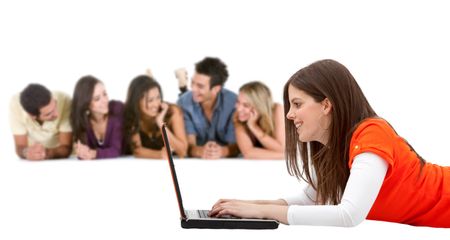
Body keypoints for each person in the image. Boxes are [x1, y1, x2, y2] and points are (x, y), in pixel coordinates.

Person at [209, 59, 450, 228]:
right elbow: (310, 200)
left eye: (297, 104)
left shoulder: (372, 134)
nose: (289, 115)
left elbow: (348, 215)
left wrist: (261, 212)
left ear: (326, 105)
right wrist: (245, 206)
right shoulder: (335, 149)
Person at [177, 57, 239, 159]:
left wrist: (223, 151)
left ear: (216, 89)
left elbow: (237, 145)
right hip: (199, 158)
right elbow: (188, 145)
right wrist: (199, 151)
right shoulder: (183, 103)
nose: (193, 89)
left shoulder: (234, 104)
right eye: (192, 83)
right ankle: (182, 83)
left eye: (200, 86)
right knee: (184, 95)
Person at [123, 75, 188, 159]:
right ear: (136, 102)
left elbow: (183, 151)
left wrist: (161, 123)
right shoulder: (132, 114)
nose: (156, 104)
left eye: (158, 98)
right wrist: (160, 155)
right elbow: (137, 150)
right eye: (150, 100)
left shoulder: (173, 111)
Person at [9, 84, 72, 160]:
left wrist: (45, 153)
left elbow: (66, 147)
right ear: (32, 116)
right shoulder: (16, 104)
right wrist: (27, 152)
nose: (57, 114)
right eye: (48, 114)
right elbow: (20, 146)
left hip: (62, 160)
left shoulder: (64, 99)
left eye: (55, 104)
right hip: (32, 162)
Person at [70, 75, 124, 160]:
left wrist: (94, 154)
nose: (105, 100)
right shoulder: (83, 121)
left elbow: (116, 150)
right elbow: (84, 151)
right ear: (86, 104)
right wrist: (83, 152)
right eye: (97, 98)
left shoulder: (116, 110)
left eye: (105, 94)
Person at [234, 81, 284, 159]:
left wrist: (253, 126)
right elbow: (248, 153)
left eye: (246, 105)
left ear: (259, 106)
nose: (239, 108)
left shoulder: (277, 109)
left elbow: (281, 148)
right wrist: (284, 156)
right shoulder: (238, 117)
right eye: (238, 102)